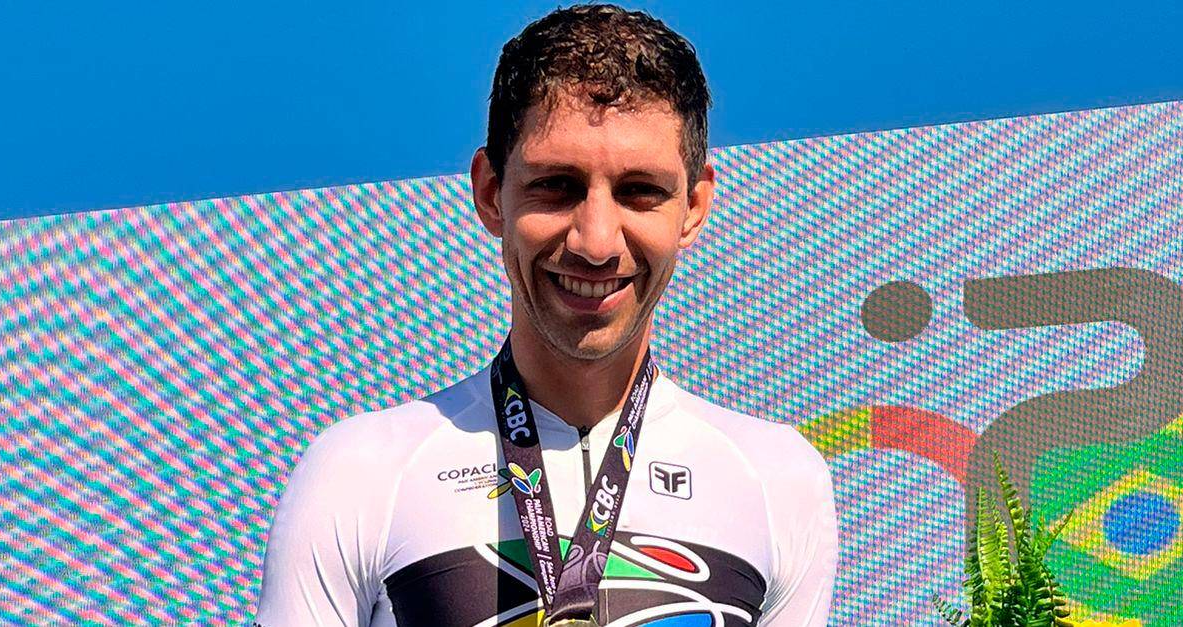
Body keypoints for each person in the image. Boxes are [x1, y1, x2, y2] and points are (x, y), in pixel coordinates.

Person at [254, 4, 837, 626]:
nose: (596, 242)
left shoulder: (778, 480)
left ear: (692, 208)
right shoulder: (360, 472)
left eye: (640, 191)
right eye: (557, 185)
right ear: (490, 193)